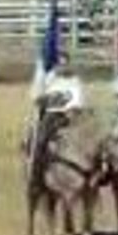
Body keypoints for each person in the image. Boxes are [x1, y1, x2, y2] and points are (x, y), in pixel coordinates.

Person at [28, 52, 86, 190]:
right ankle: (37, 177)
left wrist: (71, 111)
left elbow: (78, 102)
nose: (63, 67)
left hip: (68, 116)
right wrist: (40, 99)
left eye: (65, 63)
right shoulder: (48, 79)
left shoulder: (74, 81)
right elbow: (36, 97)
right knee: (40, 141)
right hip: (50, 115)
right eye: (60, 64)